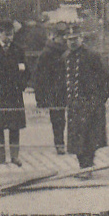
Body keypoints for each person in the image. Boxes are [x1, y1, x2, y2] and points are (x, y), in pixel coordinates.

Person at [63, 24, 109, 178]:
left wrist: (100, 98)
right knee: (76, 137)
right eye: (69, 39)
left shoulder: (92, 56)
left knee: (90, 137)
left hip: (91, 103)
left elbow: (108, 77)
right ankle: (82, 167)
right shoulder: (65, 57)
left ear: (81, 39)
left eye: (75, 39)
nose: (72, 42)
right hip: (74, 105)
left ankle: (88, 167)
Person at [0, 19, 27, 166]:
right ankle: (1, 155)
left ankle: (15, 156)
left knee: (14, 126)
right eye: (6, 34)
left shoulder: (18, 50)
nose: (9, 38)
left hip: (14, 93)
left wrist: (21, 85)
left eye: (11, 34)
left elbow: (24, 69)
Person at [33, 23, 67, 154]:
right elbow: (39, 76)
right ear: (55, 37)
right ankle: (59, 143)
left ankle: (73, 142)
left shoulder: (70, 51)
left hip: (68, 89)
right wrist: (41, 97)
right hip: (56, 91)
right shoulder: (47, 53)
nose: (63, 40)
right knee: (58, 118)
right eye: (61, 37)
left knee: (71, 117)